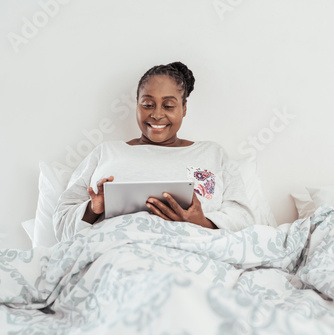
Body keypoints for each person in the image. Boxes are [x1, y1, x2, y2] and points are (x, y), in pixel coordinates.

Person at [53, 61, 257, 242]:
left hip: (192, 255)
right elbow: (61, 224)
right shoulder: (106, 153)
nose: (157, 114)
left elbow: (244, 220)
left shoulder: (213, 154)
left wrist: (202, 221)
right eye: (148, 104)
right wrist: (92, 209)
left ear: (184, 108)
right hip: (116, 255)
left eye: (168, 106)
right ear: (137, 106)